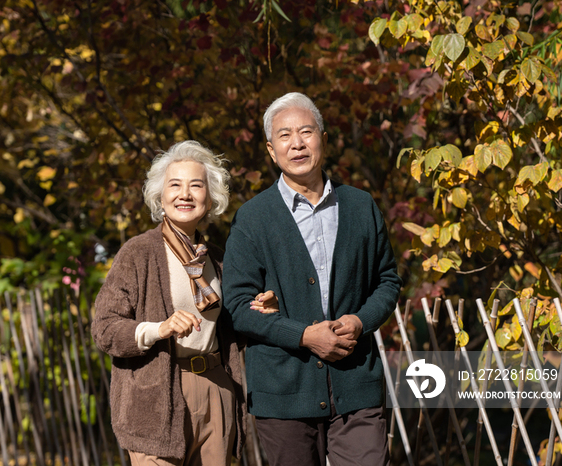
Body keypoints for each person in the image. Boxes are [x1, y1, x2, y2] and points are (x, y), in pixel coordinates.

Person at [222, 92, 402, 466]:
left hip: (356, 383)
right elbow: (238, 307)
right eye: (285, 136)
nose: (297, 143)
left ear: (322, 137)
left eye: (306, 131)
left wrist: (359, 320)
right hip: (284, 390)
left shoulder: (360, 205)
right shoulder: (253, 218)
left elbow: (387, 280)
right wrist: (304, 336)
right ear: (272, 152)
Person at [91, 140, 276, 466]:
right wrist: (159, 328)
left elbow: (228, 332)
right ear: (160, 196)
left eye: (196, 185)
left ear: (211, 196)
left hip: (217, 390)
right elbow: (105, 328)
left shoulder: (218, 260)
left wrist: (259, 311)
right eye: (174, 185)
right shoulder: (139, 253)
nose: (185, 194)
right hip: (157, 398)